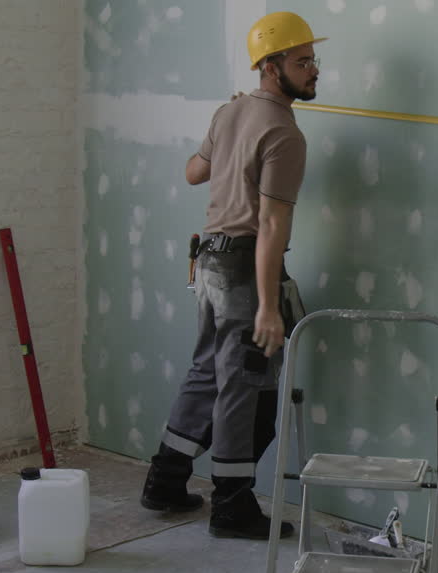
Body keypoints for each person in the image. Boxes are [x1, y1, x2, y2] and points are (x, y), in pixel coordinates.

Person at [139, 11, 324, 540]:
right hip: (244, 269)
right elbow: (269, 223)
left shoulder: (230, 112)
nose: (314, 70)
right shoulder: (285, 134)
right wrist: (269, 307)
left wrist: (231, 145)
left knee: (206, 375)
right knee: (245, 387)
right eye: (301, 61)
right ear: (270, 67)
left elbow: (194, 172)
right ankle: (232, 508)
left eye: (314, 59)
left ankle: (165, 481)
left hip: (211, 266)